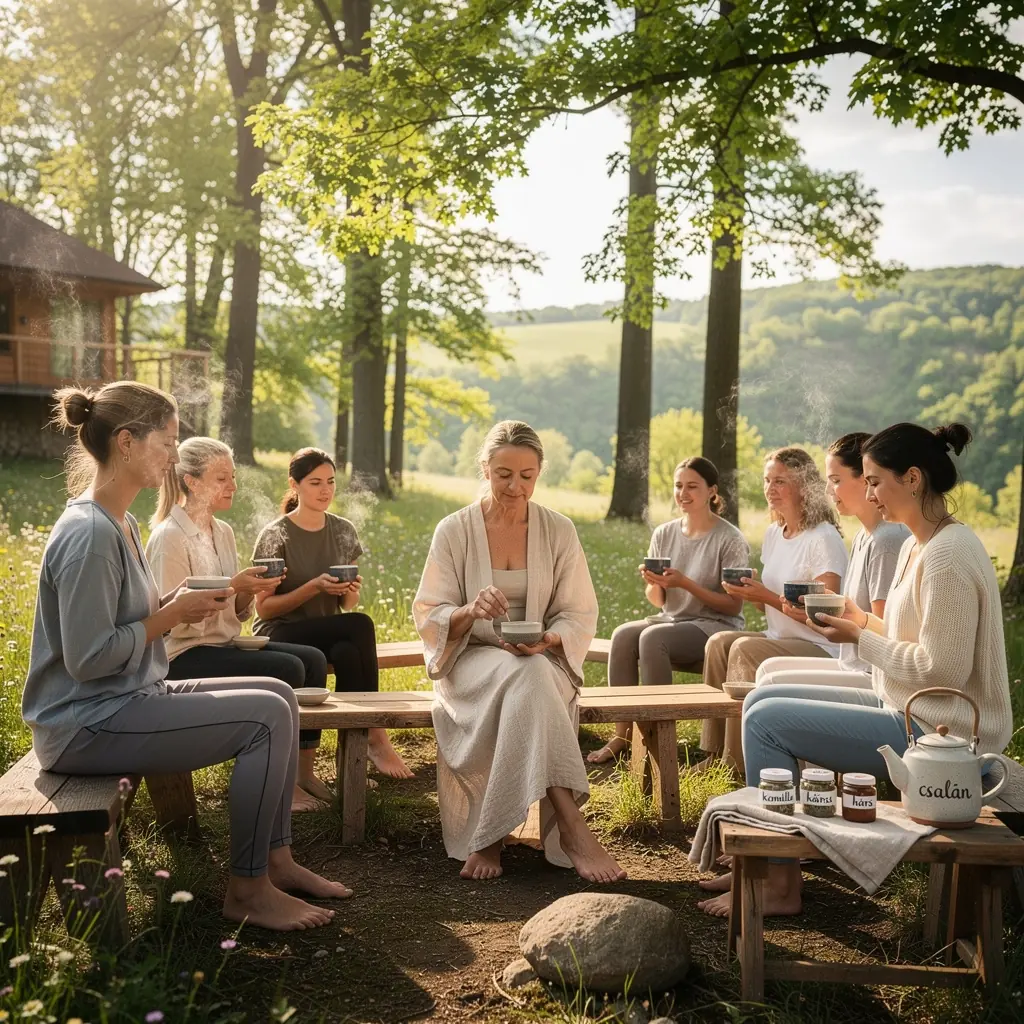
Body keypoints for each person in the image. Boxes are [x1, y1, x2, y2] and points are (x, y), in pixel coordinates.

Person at [22, 383, 350, 932]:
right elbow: (87, 659)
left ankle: (277, 861)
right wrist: (172, 615)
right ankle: (247, 890)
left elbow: (124, 622)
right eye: (168, 441)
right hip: (85, 723)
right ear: (126, 442)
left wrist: (176, 602)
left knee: (279, 694)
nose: (175, 457)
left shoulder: (121, 522)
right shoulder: (90, 535)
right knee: (265, 718)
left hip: (126, 697)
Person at [698, 422, 1012, 918]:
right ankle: (768, 858)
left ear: (913, 478)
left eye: (875, 482)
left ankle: (780, 881)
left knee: (764, 722)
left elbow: (942, 670)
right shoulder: (918, 545)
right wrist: (856, 616)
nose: (869, 495)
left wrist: (858, 638)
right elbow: (908, 635)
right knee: (760, 700)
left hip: (942, 735)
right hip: (907, 706)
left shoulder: (948, 555)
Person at [413, 420, 626, 883]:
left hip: (540, 659)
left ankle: (490, 837)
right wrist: (469, 610)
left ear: (539, 473)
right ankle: (572, 826)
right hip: (471, 663)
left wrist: (549, 640)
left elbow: (577, 612)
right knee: (527, 679)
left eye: (527, 476)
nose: (515, 486)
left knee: (530, 676)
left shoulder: (559, 530)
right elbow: (430, 611)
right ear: (485, 469)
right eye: (504, 474)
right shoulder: (454, 530)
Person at [146, 436, 334, 812]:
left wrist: (248, 591)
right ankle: (278, 784)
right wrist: (234, 586)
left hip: (223, 645)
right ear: (191, 482)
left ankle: (301, 773)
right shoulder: (170, 538)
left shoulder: (223, 532)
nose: (232, 485)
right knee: (288, 669)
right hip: (182, 655)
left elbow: (237, 614)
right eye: (221, 478)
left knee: (312, 660)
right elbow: (171, 623)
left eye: (232, 476)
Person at [251, 448, 411, 780]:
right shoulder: (275, 535)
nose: (325, 490)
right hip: (280, 633)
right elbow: (263, 608)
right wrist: (313, 587)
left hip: (324, 634)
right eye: (315, 483)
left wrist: (349, 590)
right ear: (294, 485)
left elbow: (347, 606)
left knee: (348, 652)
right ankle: (376, 735)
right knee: (361, 624)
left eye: (331, 482)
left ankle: (349, 760)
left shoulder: (343, 531)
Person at [588, 457, 749, 764]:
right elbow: (658, 601)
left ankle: (659, 742)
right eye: (678, 486)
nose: (683, 493)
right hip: (672, 619)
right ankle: (622, 736)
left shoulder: (730, 539)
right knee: (622, 636)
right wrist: (654, 583)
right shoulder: (664, 533)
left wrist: (685, 583)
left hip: (714, 625)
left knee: (653, 639)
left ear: (712, 491)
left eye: (692, 486)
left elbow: (733, 605)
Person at [701, 447, 849, 774]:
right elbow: (765, 605)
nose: (770, 488)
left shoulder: (822, 537)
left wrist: (766, 595)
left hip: (820, 645)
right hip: (779, 638)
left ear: (804, 486)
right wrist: (749, 592)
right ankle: (712, 753)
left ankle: (735, 762)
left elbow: (827, 614)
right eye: (767, 480)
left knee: (744, 648)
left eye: (780, 481)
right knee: (718, 644)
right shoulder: (774, 534)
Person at [753, 433, 909, 690]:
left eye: (835, 480)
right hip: (852, 665)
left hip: (875, 677)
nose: (827, 490)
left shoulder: (886, 542)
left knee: (769, 689)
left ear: (866, 478)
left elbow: (885, 635)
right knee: (767, 671)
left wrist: (840, 626)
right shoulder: (863, 537)